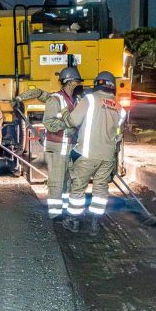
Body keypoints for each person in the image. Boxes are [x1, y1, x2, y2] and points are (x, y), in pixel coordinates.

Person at [14, 66, 82, 218]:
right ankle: (55, 216)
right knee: (57, 183)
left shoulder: (74, 100)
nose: (79, 85)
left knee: (67, 182)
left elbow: (39, 93)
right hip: (57, 148)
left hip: (69, 148)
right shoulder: (55, 100)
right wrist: (67, 127)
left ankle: (64, 212)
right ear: (70, 82)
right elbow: (49, 123)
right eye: (77, 82)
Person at [61, 71, 125, 233]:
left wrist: (64, 114)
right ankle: (95, 223)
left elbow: (73, 121)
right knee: (100, 189)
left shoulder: (89, 100)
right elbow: (118, 135)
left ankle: (74, 221)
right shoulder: (120, 108)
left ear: (97, 84)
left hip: (87, 154)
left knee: (78, 187)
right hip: (107, 157)